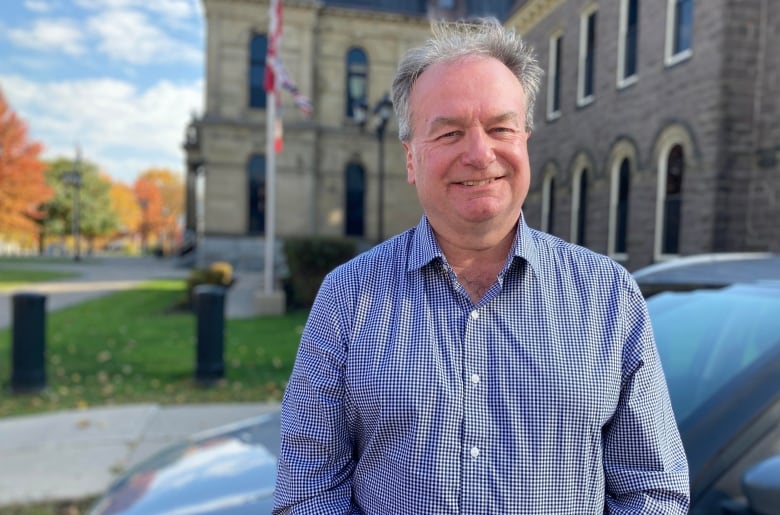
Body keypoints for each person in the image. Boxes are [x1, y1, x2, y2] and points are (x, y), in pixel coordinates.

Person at [274, 17, 690, 514]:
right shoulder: (347, 298)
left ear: (525, 142)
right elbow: (307, 493)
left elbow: (653, 491)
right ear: (410, 158)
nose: (479, 153)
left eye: (500, 128)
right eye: (449, 133)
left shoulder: (609, 297)